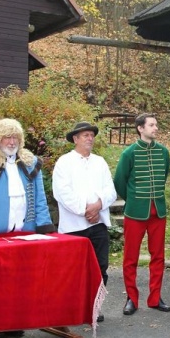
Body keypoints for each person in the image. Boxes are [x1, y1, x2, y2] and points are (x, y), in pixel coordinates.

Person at [0, 118, 56, 338]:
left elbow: (40, 199)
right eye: (7, 136)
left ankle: (14, 322)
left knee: (20, 280)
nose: (12, 141)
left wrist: (44, 227)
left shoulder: (30, 162)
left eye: (15, 137)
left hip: (25, 232)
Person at [53, 122, 116, 321]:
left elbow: (111, 191)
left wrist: (98, 205)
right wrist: (85, 210)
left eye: (91, 135)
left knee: (100, 267)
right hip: (73, 226)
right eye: (85, 135)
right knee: (73, 270)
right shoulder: (64, 162)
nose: (90, 138)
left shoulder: (100, 162)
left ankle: (94, 307)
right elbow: (62, 193)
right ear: (75, 139)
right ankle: (73, 308)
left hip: (98, 225)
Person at [113, 113, 170, 315]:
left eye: (156, 124)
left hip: (158, 212)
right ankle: (132, 298)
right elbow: (119, 181)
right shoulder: (128, 153)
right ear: (140, 128)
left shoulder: (163, 152)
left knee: (159, 257)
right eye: (152, 125)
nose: (156, 128)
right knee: (131, 257)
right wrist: (134, 199)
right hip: (135, 212)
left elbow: (163, 175)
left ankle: (155, 298)